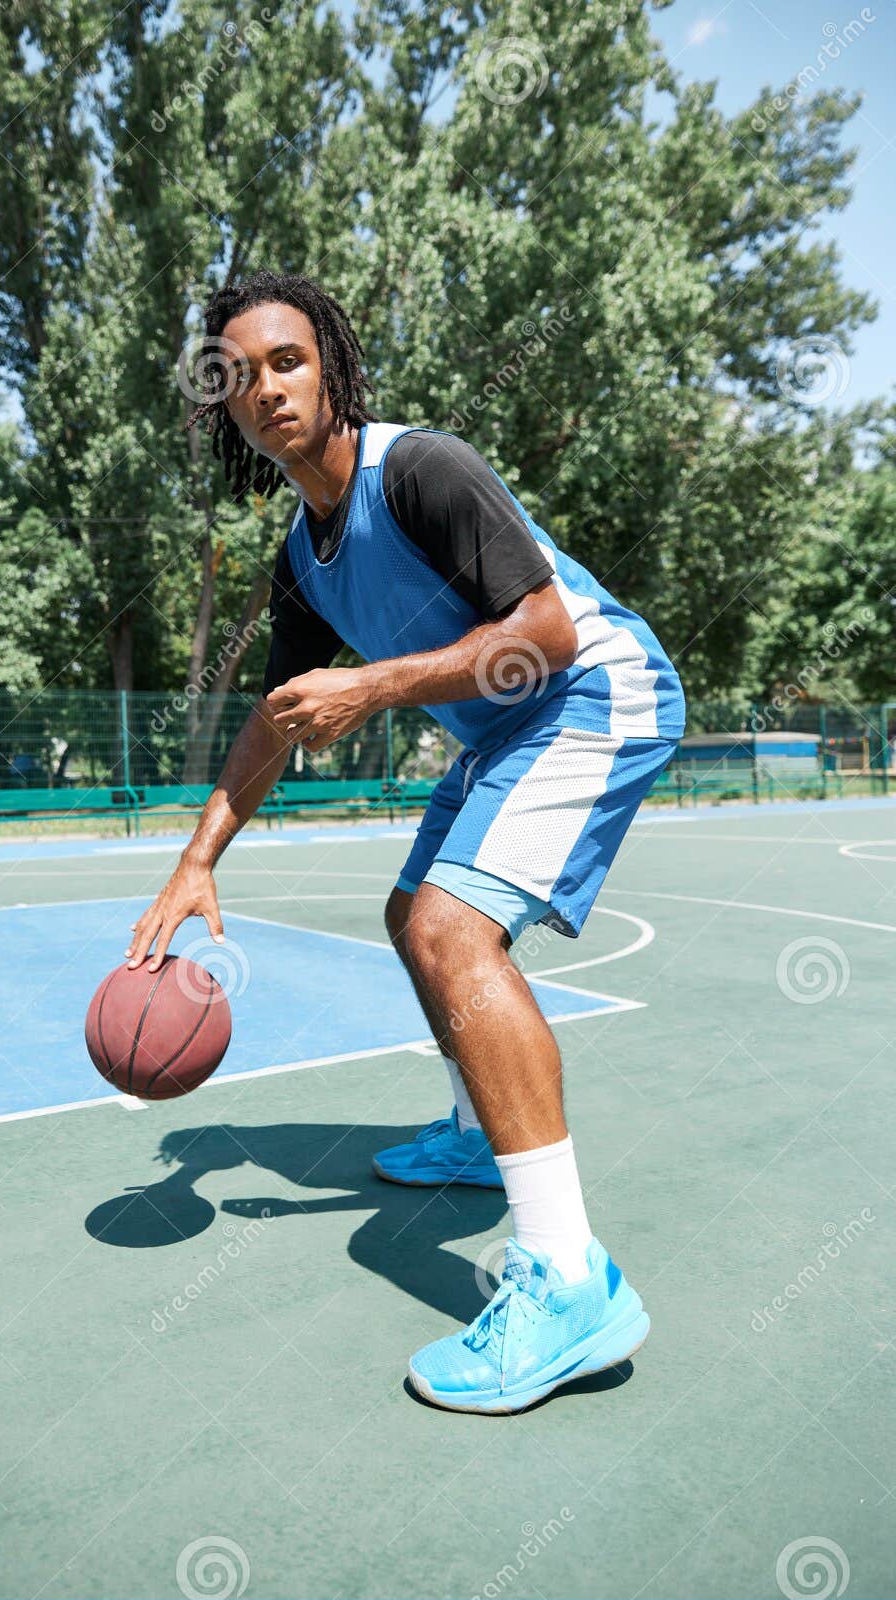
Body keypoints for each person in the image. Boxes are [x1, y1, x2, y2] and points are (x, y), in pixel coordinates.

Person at [125, 270, 685, 1414]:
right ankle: (480, 1136)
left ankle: (571, 1279)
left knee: (445, 927)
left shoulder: (420, 468)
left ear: (327, 362)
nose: (269, 388)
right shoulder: (300, 554)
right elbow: (276, 714)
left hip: (592, 690)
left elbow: (545, 630)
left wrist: (372, 686)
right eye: (240, 377)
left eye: (288, 360)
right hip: (500, 725)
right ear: (224, 407)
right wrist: (196, 859)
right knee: (407, 916)